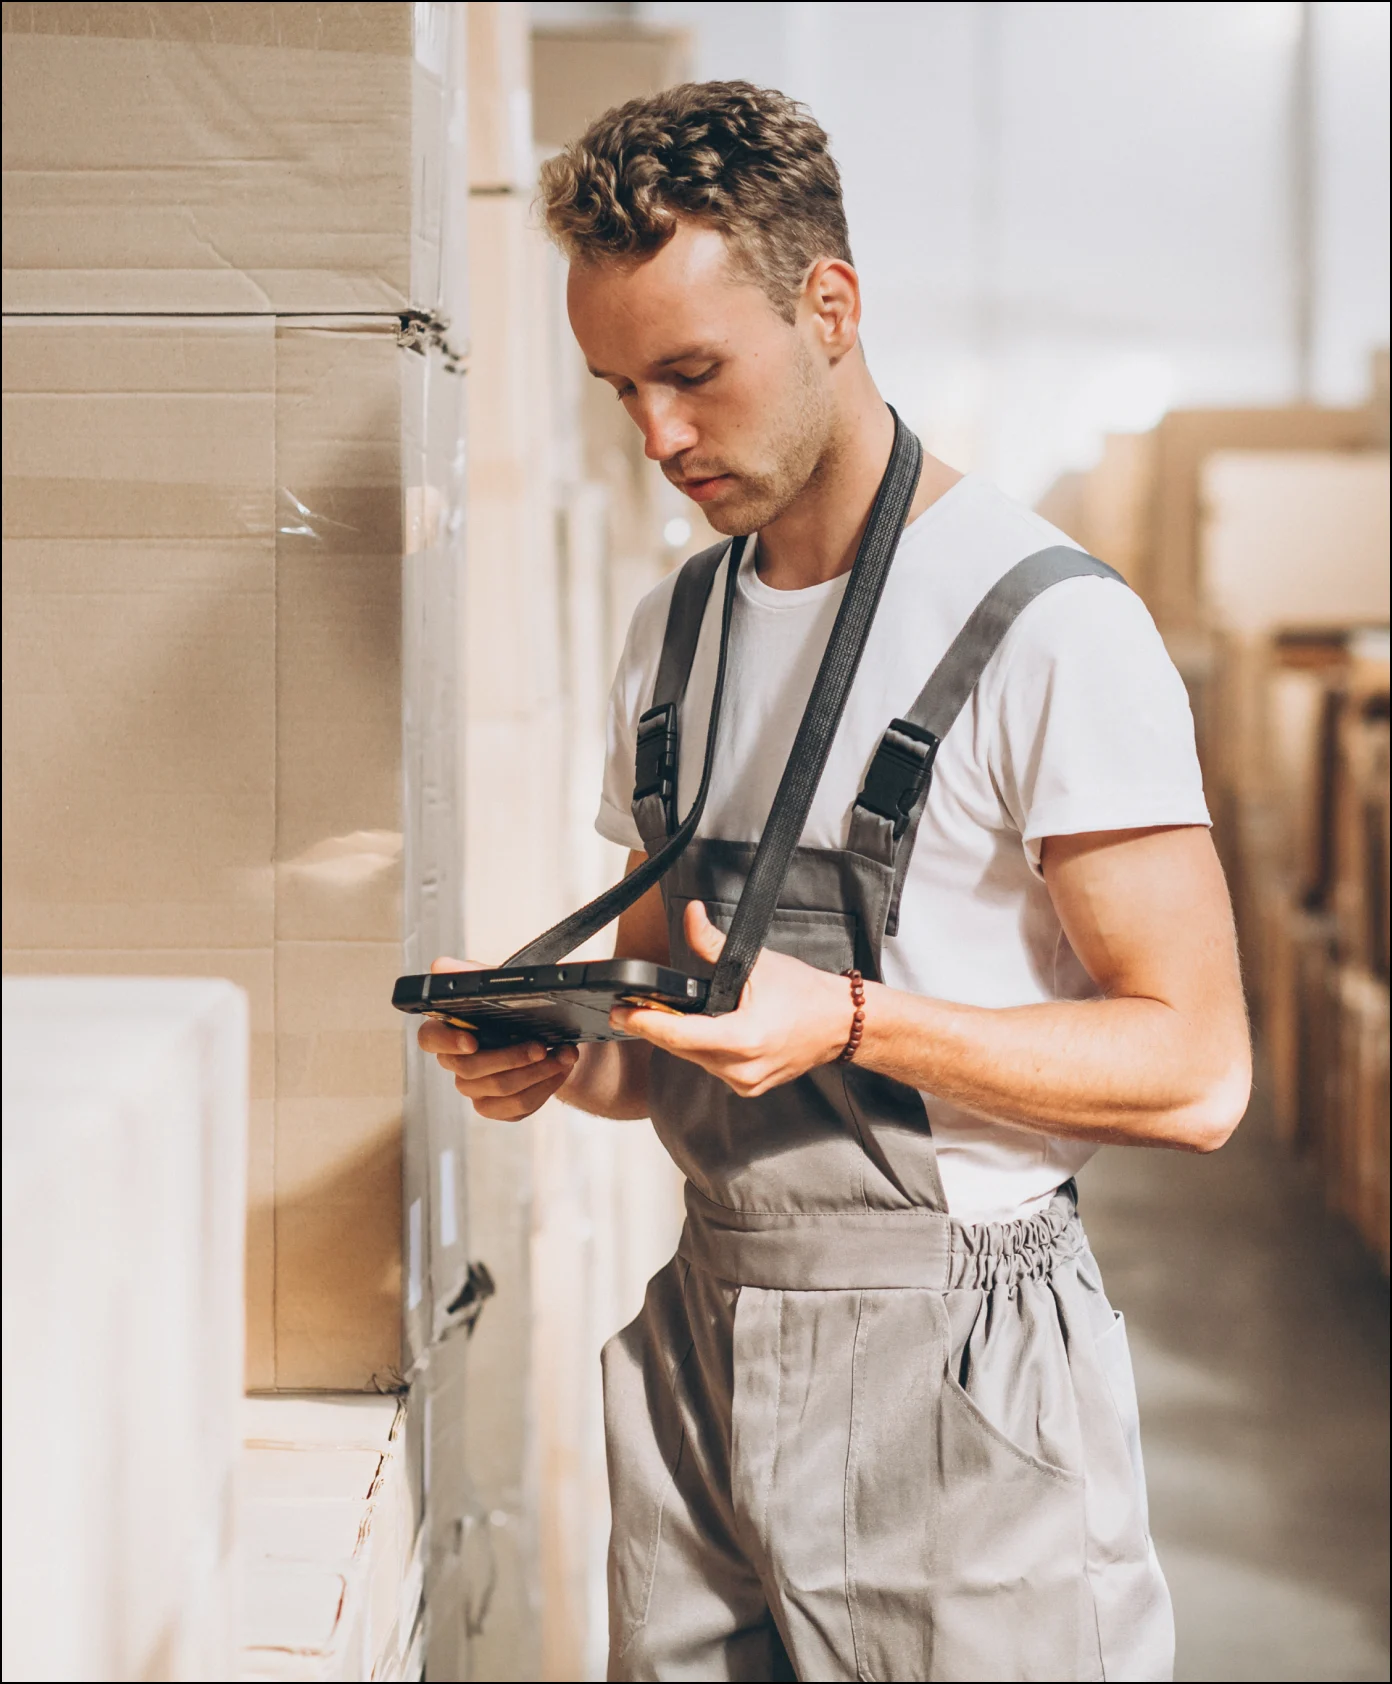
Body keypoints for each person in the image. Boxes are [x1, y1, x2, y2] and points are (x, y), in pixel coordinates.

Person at [421, 81, 1250, 1684]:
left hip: (958, 1376)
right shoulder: (675, 634)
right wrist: (566, 1056)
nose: (657, 437)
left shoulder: (1048, 628)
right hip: (707, 1342)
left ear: (831, 306)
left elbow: (1200, 1069)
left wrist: (857, 1017)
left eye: (693, 375)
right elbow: (686, 1038)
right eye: (617, 389)